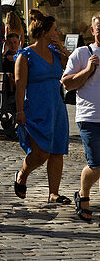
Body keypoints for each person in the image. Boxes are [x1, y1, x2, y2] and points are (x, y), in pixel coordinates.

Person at [13, 14, 70, 203]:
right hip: (36, 108)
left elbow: (68, 69)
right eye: (54, 29)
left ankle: (54, 193)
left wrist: (62, 48)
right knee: (41, 153)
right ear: (45, 32)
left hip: (56, 107)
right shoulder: (25, 55)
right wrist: (20, 111)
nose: (57, 32)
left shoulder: (55, 53)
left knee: (57, 151)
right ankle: (23, 174)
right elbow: (20, 85)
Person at [62, 12, 100, 223]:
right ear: (92, 30)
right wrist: (88, 69)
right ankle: (83, 195)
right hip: (89, 117)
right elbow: (67, 84)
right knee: (96, 164)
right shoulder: (81, 53)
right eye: (98, 28)